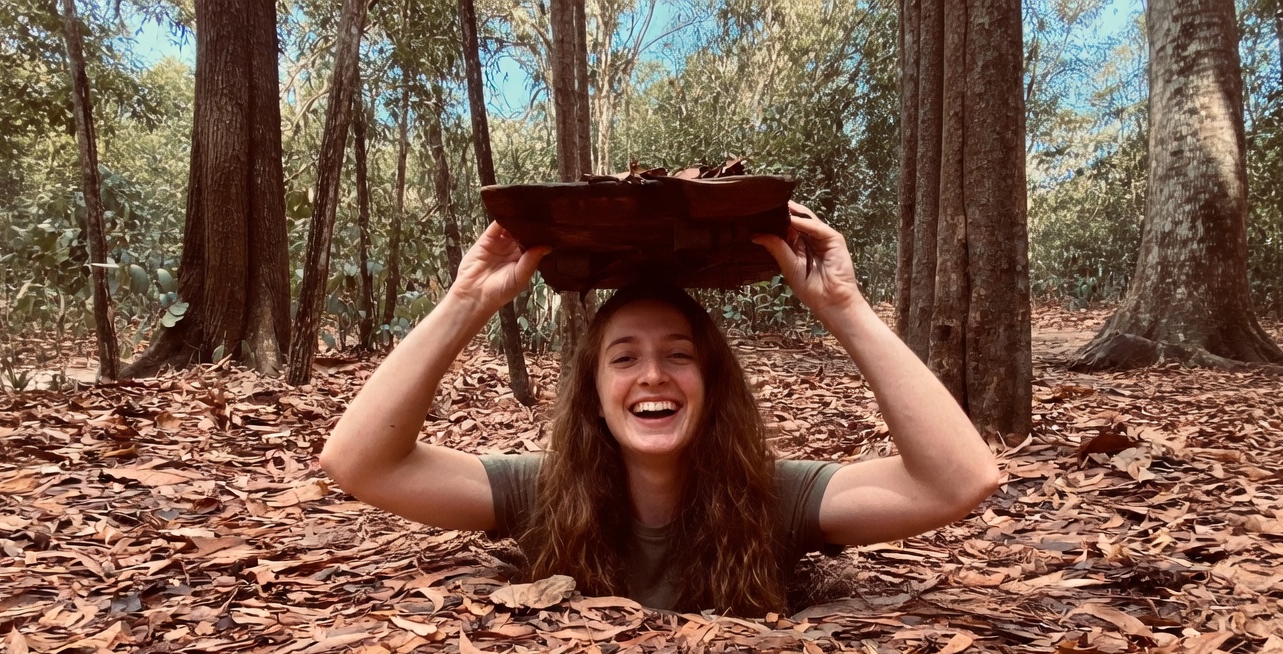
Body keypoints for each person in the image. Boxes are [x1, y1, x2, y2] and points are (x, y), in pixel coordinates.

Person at [321, 203, 998, 616]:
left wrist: (843, 307)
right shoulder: (539, 489)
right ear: (592, 392)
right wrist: (468, 300)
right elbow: (359, 464)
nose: (652, 375)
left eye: (679, 354)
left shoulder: (776, 496)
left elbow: (959, 480)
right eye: (623, 358)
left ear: (712, 381)